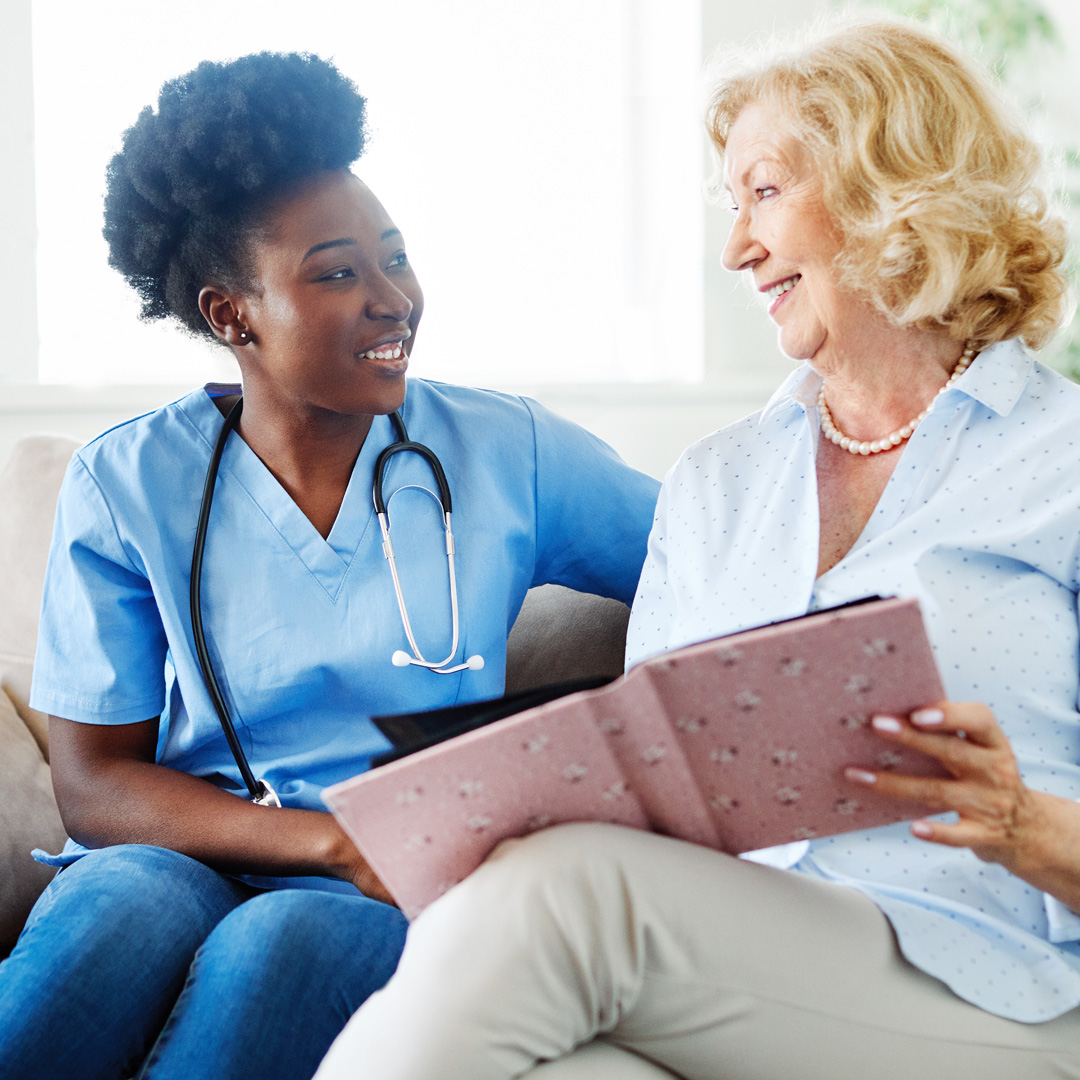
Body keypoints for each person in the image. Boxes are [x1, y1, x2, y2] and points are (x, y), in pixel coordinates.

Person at [315, 18, 1080, 1080]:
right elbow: (657, 799)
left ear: (889, 184)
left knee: (573, 893)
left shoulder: (1064, 464)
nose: (737, 249)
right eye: (734, 207)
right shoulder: (719, 483)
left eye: (764, 193)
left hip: (1002, 996)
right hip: (736, 982)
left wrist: (1023, 822)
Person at [0, 51, 659, 1080]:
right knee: (107, 915)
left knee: (281, 948)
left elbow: (717, 560)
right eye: (339, 273)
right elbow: (94, 784)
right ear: (232, 315)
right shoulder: (130, 480)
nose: (394, 299)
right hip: (189, 854)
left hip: (381, 890)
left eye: (395, 259)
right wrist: (325, 840)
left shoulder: (509, 451)